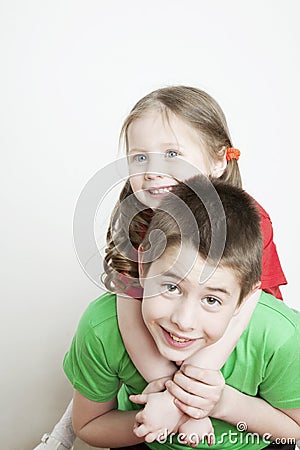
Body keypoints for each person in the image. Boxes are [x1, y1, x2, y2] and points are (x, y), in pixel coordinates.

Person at [33, 86, 287, 450]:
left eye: (172, 154)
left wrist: (188, 396)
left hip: (229, 331)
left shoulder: (249, 223)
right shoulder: (139, 220)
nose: (153, 172)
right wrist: (163, 388)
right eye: (139, 159)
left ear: (218, 161)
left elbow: (245, 311)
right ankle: (69, 425)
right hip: (163, 338)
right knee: (115, 354)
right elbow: (128, 308)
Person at [64, 176, 300, 450]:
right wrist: (149, 422)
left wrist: (222, 403)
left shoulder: (279, 335)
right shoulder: (103, 328)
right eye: (171, 287)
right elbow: (88, 425)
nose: (183, 321)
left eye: (211, 300)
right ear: (143, 265)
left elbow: (295, 429)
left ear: (244, 299)